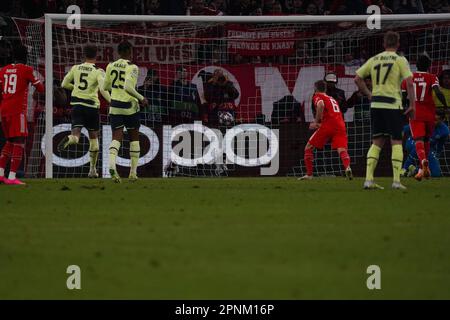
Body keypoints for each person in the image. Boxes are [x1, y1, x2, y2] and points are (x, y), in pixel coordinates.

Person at [355, 31, 415, 190]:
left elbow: (357, 78)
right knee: (396, 140)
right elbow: (409, 82)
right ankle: (396, 181)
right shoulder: (400, 60)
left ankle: (368, 180)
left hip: (376, 105)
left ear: (384, 44)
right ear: (398, 44)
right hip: (392, 104)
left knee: (377, 141)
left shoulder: (374, 59)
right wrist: (412, 104)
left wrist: (368, 94)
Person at [59, 45, 111, 178]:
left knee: (76, 135)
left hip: (77, 106)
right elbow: (102, 89)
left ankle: (71, 139)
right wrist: (111, 101)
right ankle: (92, 170)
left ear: (83, 55)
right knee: (94, 138)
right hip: (91, 107)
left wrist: (76, 88)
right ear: (96, 56)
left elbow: (64, 84)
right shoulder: (98, 71)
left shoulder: (75, 68)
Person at [103, 41, 148, 183]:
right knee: (134, 137)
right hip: (129, 106)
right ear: (130, 51)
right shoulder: (133, 67)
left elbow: (105, 86)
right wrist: (141, 98)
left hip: (115, 105)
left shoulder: (110, 65)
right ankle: (133, 173)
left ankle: (111, 165)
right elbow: (128, 87)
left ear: (118, 52)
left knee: (116, 137)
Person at [0, 45, 44, 185]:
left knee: (9, 141)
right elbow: (41, 89)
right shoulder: (27, 70)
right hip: (17, 111)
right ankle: (12, 177)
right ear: (26, 57)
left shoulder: (3, 70)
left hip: (4, 110)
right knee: (19, 142)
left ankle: (1, 174)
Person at [401, 53, 447, 181]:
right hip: (429, 114)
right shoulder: (432, 77)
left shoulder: (407, 78)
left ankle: (423, 161)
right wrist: (446, 106)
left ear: (415, 65)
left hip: (415, 113)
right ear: (429, 66)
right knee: (426, 140)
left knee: (418, 141)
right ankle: (422, 170)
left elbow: (404, 98)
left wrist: (405, 108)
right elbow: (438, 92)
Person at [298, 80, 352, 180]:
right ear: (326, 89)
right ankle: (347, 167)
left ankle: (309, 174)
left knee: (308, 147)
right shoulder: (331, 98)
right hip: (340, 125)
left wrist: (316, 122)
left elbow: (321, 105)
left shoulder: (317, 96)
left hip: (328, 125)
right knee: (341, 149)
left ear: (315, 88)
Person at [402, 112, 449, 177]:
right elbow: (404, 129)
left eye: (436, 120)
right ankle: (404, 169)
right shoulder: (423, 122)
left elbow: (440, 145)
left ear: (442, 120)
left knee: (436, 174)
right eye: (433, 119)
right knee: (420, 144)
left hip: (429, 148)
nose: (434, 122)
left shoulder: (445, 131)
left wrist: (437, 155)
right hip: (412, 142)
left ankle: (415, 170)